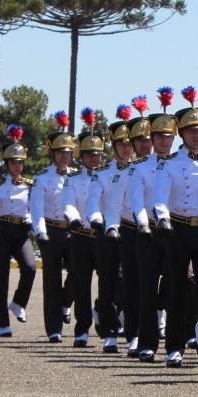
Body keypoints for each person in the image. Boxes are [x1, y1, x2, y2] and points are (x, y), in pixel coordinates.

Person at [152, 88, 198, 368]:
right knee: (176, 289)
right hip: (177, 228)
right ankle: (174, 347)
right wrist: (163, 218)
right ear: (181, 133)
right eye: (190, 131)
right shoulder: (169, 164)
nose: (195, 135)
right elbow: (160, 196)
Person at [127, 93, 177, 362]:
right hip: (149, 231)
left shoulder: (181, 163)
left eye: (168, 137)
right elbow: (136, 198)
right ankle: (146, 342)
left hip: (175, 232)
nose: (164, 141)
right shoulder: (140, 169)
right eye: (159, 137)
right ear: (152, 138)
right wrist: (142, 222)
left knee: (172, 287)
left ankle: (172, 342)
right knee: (146, 288)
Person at [103, 100, 153, 357]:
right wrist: (111, 226)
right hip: (131, 229)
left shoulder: (164, 163)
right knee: (134, 284)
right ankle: (134, 333)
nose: (144, 144)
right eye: (139, 140)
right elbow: (114, 204)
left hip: (163, 229)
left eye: (148, 139)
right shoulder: (127, 172)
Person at [86, 109, 134, 353]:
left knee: (129, 281)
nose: (127, 149)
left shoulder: (139, 169)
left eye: (129, 144)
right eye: (121, 144)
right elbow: (93, 201)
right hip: (108, 230)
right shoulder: (103, 174)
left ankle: (129, 325)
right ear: (113, 147)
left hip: (133, 229)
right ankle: (110, 333)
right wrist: (95, 217)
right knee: (107, 282)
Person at [0, 124, 36, 337]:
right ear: (6, 164)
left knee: (30, 267)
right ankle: (2, 324)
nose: (17, 166)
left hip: (20, 231)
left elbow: (34, 207)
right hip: (0, 232)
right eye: (13, 162)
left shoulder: (30, 185)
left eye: (20, 162)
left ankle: (18, 303)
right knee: (1, 279)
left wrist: (30, 220)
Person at [30, 112, 77, 343]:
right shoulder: (42, 179)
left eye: (68, 152)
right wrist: (40, 232)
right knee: (51, 281)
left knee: (78, 273)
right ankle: (54, 328)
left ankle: (66, 302)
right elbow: (36, 209)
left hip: (72, 231)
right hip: (49, 230)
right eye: (61, 151)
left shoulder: (77, 177)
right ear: (52, 153)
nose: (65, 156)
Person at [63, 109, 104, 347]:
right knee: (81, 284)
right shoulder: (74, 180)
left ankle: (102, 312)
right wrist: (74, 218)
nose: (93, 159)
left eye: (97, 154)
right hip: (80, 236)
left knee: (112, 281)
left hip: (102, 236)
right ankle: (82, 329)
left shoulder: (108, 177)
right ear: (81, 156)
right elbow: (68, 203)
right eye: (88, 154)